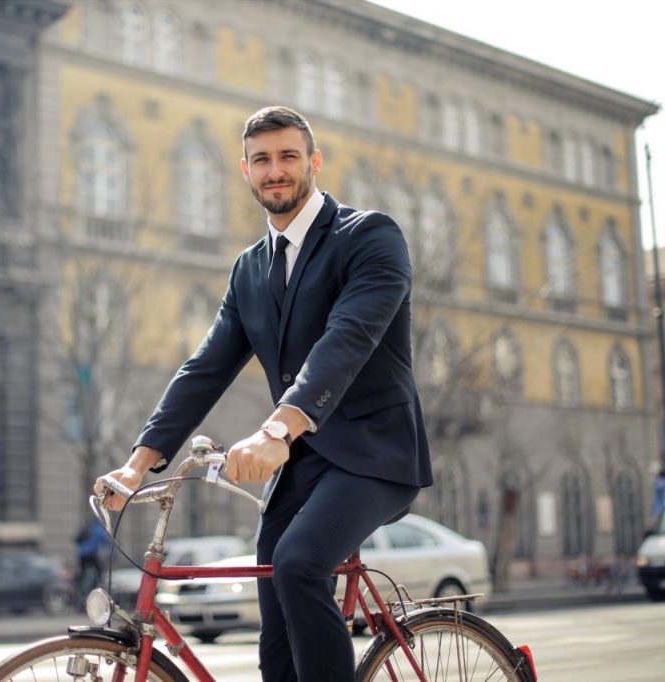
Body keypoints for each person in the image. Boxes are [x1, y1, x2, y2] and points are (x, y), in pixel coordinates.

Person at [94, 106, 433, 682]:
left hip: (377, 454)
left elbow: (346, 340)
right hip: (306, 463)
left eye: (288, 157)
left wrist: (278, 430)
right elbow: (206, 367)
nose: (275, 170)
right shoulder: (250, 269)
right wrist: (137, 465)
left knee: (298, 564)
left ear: (314, 162)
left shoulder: (370, 236)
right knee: (272, 589)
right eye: (261, 160)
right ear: (245, 171)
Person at [74, 519, 111, 599]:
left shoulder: (89, 529)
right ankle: (94, 588)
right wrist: (112, 553)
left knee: (83, 572)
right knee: (99, 571)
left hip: (81, 555)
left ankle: (78, 589)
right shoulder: (98, 529)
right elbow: (106, 541)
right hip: (90, 555)